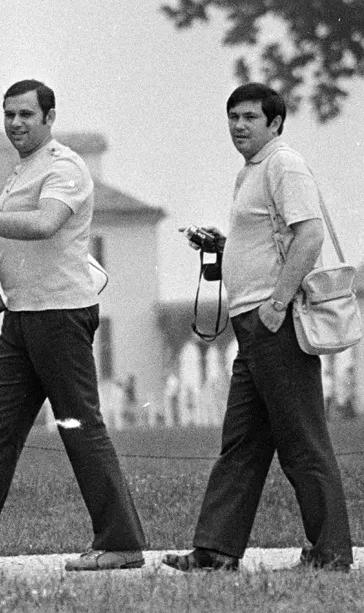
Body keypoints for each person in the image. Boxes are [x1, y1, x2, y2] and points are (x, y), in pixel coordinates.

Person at [0, 79, 147, 571]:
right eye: (9, 114)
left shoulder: (65, 167)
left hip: (60, 314)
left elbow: (46, 224)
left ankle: (122, 543)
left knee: (80, 427)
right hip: (25, 315)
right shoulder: (23, 171)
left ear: (49, 118)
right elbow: (26, 238)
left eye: (26, 114)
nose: (16, 123)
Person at [163, 83, 353, 572]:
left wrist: (277, 303)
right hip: (252, 325)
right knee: (242, 444)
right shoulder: (251, 171)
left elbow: (309, 235)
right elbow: (272, 241)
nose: (239, 126)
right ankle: (216, 550)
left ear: (275, 123)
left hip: (276, 322)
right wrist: (224, 246)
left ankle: (331, 552)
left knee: (303, 441)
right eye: (233, 117)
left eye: (250, 117)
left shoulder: (283, 165)